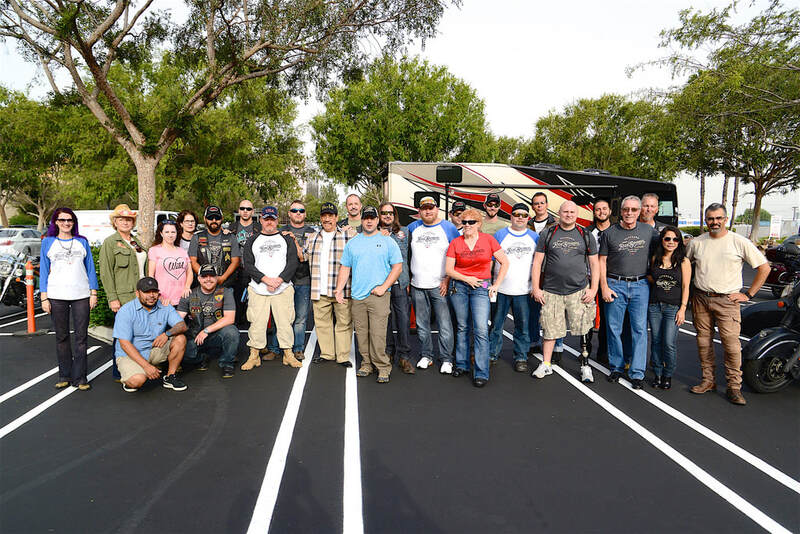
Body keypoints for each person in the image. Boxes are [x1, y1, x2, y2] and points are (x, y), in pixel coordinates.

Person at [686, 203, 769, 405]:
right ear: (706, 220)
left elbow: (764, 268)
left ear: (726, 219)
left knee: (731, 346)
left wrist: (748, 294)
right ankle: (708, 381)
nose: (714, 222)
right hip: (701, 298)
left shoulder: (739, 242)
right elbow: (685, 264)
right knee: (703, 343)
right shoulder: (697, 243)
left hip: (728, 301)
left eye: (718, 218)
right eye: (710, 218)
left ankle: (734, 387)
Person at [530, 201, 599, 383]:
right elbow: (537, 262)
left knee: (583, 328)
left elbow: (594, 264)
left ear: (577, 214)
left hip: (578, 290)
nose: (569, 215)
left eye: (572, 212)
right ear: (559, 213)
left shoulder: (585, 235)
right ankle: (546, 364)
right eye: (565, 211)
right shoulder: (548, 233)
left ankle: (585, 366)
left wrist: (593, 289)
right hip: (552, 290)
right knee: (550, 329)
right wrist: (536, 288)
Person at [335, 206, 402, 383]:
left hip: (379, 296)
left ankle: (383, 367)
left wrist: (384, 287)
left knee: (378, 334)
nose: (369, 221)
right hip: (358, 296)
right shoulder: (353, 243)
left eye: (372, 218)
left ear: (378, 220)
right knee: (362, 334)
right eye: (366, 218)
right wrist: (339, 289)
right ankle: (366, 364)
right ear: (362, 220)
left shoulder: (388, 241)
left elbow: (397, 267)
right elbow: (345, 267)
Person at [599, 195, 660, 388]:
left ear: (639, 211)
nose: (629, 213)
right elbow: (601, 261)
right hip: (615, 284)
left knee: (639, 330)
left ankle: (637, 373)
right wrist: (604, 287)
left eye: (634, 209)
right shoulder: (609, 233)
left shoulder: (649, 232)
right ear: (621, 211)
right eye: (626, 209)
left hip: (640, 285)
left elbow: (664, 252)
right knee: (614, 329)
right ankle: (616, 367)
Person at [445, 208, 509, 387]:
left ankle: (481, 372)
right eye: (464, 222)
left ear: (479, 224)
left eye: (471, 222)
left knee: (480, 329)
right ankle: (462, 364)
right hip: (459, 287)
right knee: (462, 327)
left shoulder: (488, 240)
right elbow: (449, 269)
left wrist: (496, 285)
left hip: (481, 286)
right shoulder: (456, 243)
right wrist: (467, 279)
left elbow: (505, 262)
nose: (467, 225)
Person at [40, 208, 99, 391]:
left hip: (81, 295)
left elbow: (90, 268)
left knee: (81, 338)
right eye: (62, 220)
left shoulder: (82, 242)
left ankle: (80, 377)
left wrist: (93, 293)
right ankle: (64, 375)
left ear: (74, 223)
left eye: (70, 220)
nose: (66, 223)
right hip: (56, 295)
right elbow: (43, 270)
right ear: (56, 222)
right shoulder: (48, 242)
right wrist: (44, 297)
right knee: (62, 337)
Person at [240, 206, 301, 371]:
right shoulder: (252, 240)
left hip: (283, 288)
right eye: (266, 219)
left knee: (285, 322)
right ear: (260, 220)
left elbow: (292, 262)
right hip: (258, 289)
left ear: (277, 220)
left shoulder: (286, 239)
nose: (269, 222)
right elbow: (248, 264)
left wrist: (279, 280)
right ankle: (254, 356)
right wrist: (266, 280)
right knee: (256, 323)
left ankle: (288, 354)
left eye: (272, 219)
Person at [408, 196, 460, 373]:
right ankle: (426, 355)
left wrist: (447, 279)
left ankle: (446, 359)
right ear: (419, 211)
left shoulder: (448, 228)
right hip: (417, 285)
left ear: (437, 209)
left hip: (440, 285)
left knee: (444, 325)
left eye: (431, 207)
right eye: (424, 208)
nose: (428, 211)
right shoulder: (412, 228)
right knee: (422, 324)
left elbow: (456, 254)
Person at [113, 277, 188, 393]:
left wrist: (167, 334)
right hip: (130, 354)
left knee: (180, 339)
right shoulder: (126, 311)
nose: (151, 295)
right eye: (147, 292)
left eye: (154, 291)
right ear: (137, 293)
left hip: (153, 349)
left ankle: (170, 377)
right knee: (137, 380)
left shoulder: (164, 306)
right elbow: (124, 344)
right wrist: (146, 367)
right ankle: (132, 376)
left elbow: (182, 326)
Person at [99, 204, 148, 381]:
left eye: (128, 219)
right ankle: (118, 371)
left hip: (142, 296)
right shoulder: (110, 243)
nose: (125, 222)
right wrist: (113, 298)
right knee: (123, 335)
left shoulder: (136, 242)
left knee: (139, 334)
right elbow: (106, 273)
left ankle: (136, 367)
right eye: (121, 219)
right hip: (124, 297)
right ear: (115, 222)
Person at [489, 203, 538, 373]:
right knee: (496, 325)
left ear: (528, 218)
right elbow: (491, 260)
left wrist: (536, 286)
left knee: (522, 326)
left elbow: (539, 263)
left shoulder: (534, 237)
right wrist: (490, 284)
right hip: (501, 289)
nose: (520, 218)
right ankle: (492, 354)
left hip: (524, 291)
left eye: (524, 215)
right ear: (511, 216)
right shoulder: (500, 234)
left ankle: (521, 357)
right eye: (517, 214)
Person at [306, 202, 356, 366]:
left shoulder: (348, 236)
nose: (327, 219)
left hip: (342, 290)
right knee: (322, 324)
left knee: (344, 324)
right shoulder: (312, 238)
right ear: (321, 218)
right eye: (324, 216)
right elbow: (303, 257)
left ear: (336, 217)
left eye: (330, 216)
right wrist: (290, 238)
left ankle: (342, 356)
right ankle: (327, 354)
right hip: (319, 289)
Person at [266, 199, 315, 361]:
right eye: (294, 210)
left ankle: (298, 349)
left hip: (303, 279)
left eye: (301, 211)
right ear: (289, 213)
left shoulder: (312, 232)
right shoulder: (280, 231)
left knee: (300, 318)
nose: (298, 213)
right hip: (283, 281)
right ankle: (275, 348)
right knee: (279, 317)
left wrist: (294, 240)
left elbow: (307, 257)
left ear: (305, 214)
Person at [647, 226, 691, 390]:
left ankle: (668, 374)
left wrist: (683, 309)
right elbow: (651, 277)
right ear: (662, 240)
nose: (671, 242)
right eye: (667, 238)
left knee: (668, 342)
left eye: (675, 239)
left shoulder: (684, 261)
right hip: (654, 306)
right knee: (656, 341)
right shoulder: (655, 258)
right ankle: (658, 373)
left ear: (679, 242)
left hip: (673, 308)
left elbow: (686, 286)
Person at [176, 264, 239, 379]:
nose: (208, 279)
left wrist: (206, 331)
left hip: (216, 334)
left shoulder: (225, 292)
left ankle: (227, 363)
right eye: (204, 276)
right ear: (199, 278)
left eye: (212, 276)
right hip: (195, 335)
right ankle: (202, 358)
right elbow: (177, 319)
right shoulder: (189, 294)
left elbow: (230, 318)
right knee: (181, 351)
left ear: (217, 278)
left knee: (232, 332)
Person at [526, 192, 563, 360]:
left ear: (547, 204)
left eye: (542, 203)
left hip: (552, 273)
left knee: (554, 313)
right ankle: (533, 342)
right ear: (532, 206)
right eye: (536, 203)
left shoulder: (557, 224)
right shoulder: (527, 224)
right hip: (532, 273)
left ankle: (557, 346)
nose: (539, 206)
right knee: (532, 311)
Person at [378, 201, 413, 373]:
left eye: (390, 213)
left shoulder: (405, 232)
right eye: (384, 213)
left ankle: (404, 356)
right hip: (382, 284)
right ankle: (388, 352)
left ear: (395, 215)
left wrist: (409, 280)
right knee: (385, 320)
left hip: (400, 283)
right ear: (379, 215)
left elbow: (410, 257)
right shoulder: (373, 233)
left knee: (403, 320)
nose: (387, 216)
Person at [585, 199, 612, 363]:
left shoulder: (616, 231)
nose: (601, 212)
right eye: (598, 209)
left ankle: (603, 351)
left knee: (607, 317)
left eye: (604, 208)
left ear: (610, 211)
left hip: (608, 280)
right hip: (588, 278)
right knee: (587, 316)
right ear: (594, 212)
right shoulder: (587, 232)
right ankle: (585, 349)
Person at [189, 205, 241, 288]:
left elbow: (235, 261)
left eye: (217, 218)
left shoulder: (231, 237)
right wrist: (206, 278)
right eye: (210, 218)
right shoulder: (196, 237)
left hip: (226, 285)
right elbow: (192, 261)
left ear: (222, 218)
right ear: (205, 219)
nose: (214, 221)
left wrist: (223, 278)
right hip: (203, 285)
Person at [147, 220, 192, 306]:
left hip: (182, 299)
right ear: (161, 233)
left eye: (173, 232)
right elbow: (151, 276)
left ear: (177, 233)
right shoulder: (154, 250)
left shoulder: (182, 251)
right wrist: (158, 295)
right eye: (167, 232)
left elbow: (189, 272)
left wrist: (187, 287)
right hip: (164, 300)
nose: (170, 235)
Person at [231, 199, 258, 325]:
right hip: (237, 270)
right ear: (239, 210)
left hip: (254, 269)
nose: (245, 211)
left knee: (255, 300)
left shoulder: (259, 228)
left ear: (253, 211)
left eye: (248, 209)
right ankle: (237, 322)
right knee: (237, 299)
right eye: (242, 208)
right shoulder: (232, 228)